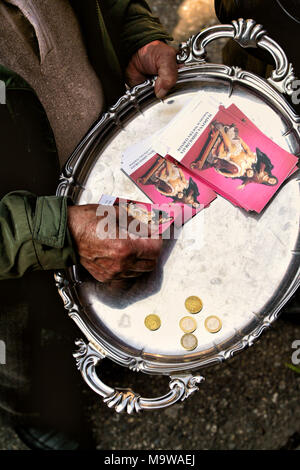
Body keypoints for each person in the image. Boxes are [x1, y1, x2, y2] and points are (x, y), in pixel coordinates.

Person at [0, 0, 178, 450]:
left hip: (107, 172)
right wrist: (49, 233)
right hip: (9, 285)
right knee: (26, 356)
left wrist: (136, 36)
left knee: (129, 292)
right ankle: (38, 411)